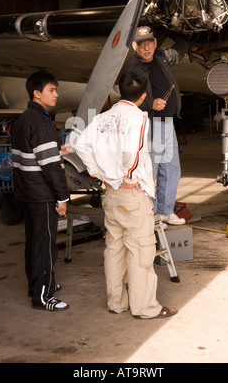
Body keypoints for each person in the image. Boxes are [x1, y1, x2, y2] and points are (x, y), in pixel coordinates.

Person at [73, 70, 177, 319]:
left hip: (109, 194)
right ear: (143, 97)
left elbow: (79, 145)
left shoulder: (102, 118)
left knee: (115, 249)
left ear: (120, 92)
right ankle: (145, 308)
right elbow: (132, 152)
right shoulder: (139, 118)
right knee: (141, 251)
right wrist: (126, 178)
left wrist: (100, 174)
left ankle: (116, 303)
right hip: (131, 193)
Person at [11, 71, 70, 311]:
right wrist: (62, 197)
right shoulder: (43, 123)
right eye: (51, 90)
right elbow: (51, 168)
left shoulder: (23, 119)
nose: (56, 94)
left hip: (26, 191)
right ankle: (43, 297)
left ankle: (38, 286)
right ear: (37, 93)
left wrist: (56, 150)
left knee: (34, 242)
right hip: (42, 194)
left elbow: (33, 154)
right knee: (45, 246)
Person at [121, 25, 189, 226]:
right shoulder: (132, 67)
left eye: (149, 43)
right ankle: (149, 214)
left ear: (155, 43)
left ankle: (165, 211)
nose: (146, 48)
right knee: (150, 172)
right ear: (135, 46)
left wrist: (172, 28)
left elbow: (180, 49)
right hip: (151, 126)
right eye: (141, 45)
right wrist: (151, 104)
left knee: (171, 169)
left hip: (167, 122)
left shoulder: (161, 56)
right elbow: (126, 94)